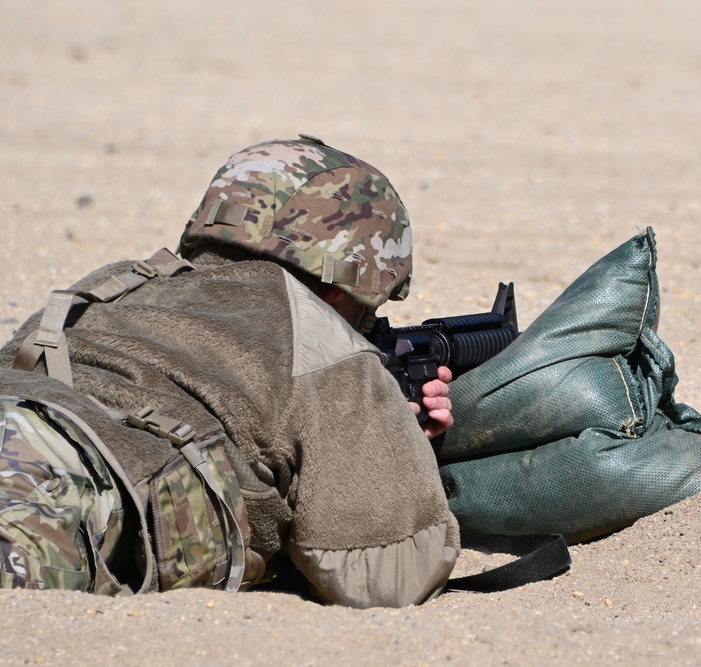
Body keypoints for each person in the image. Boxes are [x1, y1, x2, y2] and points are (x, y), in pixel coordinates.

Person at [0, 135, 461, 608]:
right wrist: (393, 450)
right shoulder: (318, 335)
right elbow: (389, 577)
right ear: (343, 290)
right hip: (55, 487)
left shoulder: (113, 283)